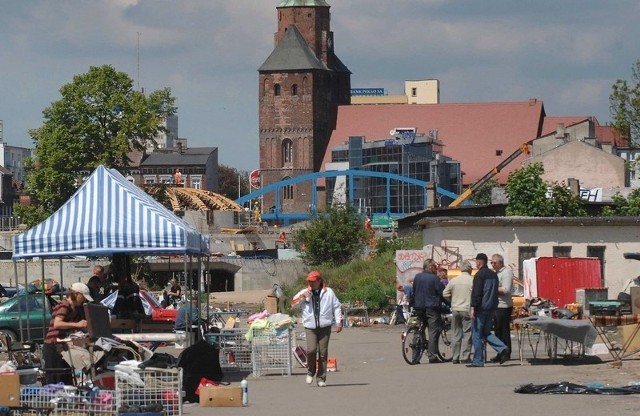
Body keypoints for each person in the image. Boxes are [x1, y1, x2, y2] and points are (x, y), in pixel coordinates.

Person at [292, 271, 342, 387]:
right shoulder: (304, 292)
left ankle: (321, 378)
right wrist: (302, 297)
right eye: (309, 281)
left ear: (319, 281)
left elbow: (336, 306)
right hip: (310, 326)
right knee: (311, 350)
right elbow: (293, 304)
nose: (311, 283)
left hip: (325, 326)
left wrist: (338, 322)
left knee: (323, 353)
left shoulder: (328, 292)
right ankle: (311, 371)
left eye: (313, 281)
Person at [42, 282, 92, 384]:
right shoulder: (65, 305)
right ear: (76, 294)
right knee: (55, 377)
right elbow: (57, 323)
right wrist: (77, 324)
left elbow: (79, 326)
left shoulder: (76, 308)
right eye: (83, 297)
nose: (84, 300)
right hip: (53, 345)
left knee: (65, 377)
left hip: (63, 346)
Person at [467, 253, 509, 368]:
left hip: (480, 308)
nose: (476, 264)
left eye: (476, 262)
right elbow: (495, 291)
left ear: (479, 262)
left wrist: (473, 307)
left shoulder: (479, 275)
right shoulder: (493, 275)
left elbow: (477, 293)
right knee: (486, 333)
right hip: (491, 307)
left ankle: (478, 360)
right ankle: (503, 348)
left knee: (476, 334)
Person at [412, 259, 445, 363]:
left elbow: (414, 291)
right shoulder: (434, 278)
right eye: (435, 267)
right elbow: (441, 292)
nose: (436, 269)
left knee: (419, 330)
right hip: (431, 308)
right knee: (433, 331)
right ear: (430, 267)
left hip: (419, 307)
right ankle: (432, 356)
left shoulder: (417, 277)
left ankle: (415, 357)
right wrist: (448, 304)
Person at [442, 260, 474, 364]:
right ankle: (464, 356)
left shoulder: (454, 280)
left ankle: (455, 356)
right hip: (467, 309)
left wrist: (452, 301)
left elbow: (445, 293)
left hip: (455, 309)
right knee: (467, 333)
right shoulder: (472, 280)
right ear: (470, 270)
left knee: (456, 333)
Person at [491, 253, 513, 362]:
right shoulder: (496, 273)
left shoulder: (506, 273)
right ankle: (500, 352)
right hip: (496, 305)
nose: (492, 264)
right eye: (491, 262)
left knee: (503, 329)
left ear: (500, 262)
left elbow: (506, 289)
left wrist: (492, 288)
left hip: (504, 306)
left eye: (494, 262)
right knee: (497, 330)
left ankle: (507, 352)